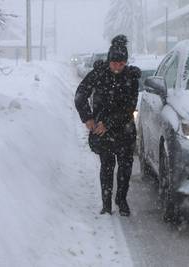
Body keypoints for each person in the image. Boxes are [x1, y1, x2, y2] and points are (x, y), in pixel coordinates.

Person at [74, 35, 141, 216]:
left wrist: (108, 123)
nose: (117, 67)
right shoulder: (99, 73)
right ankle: (106, 204)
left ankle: (121, 200)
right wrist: (87, 118)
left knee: (125, 168)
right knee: (107, 166)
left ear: (126, 62)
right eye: (114, 63)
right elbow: (80, 95)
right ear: (109, 60)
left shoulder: (131, 77)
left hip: (124, 129)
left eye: (121, 63)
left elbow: (130, 107)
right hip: (103, 132)